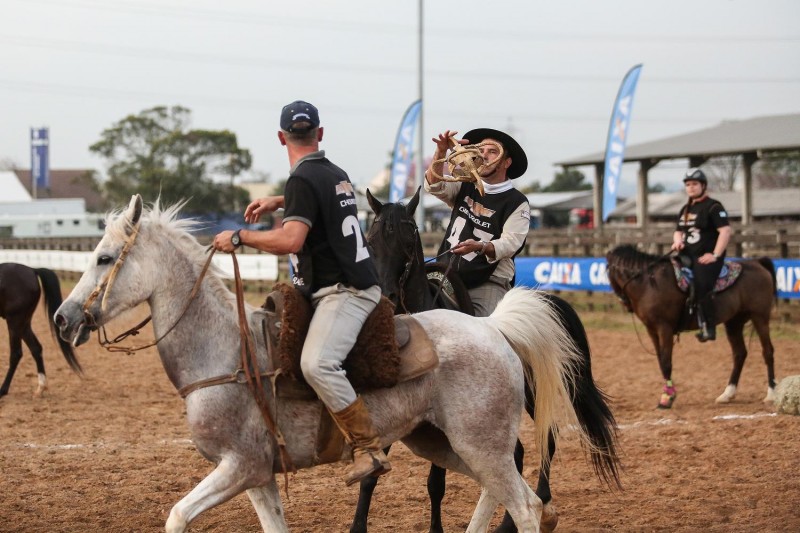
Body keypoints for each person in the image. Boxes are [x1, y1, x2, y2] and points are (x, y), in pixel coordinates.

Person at [212, 100, 390, 485]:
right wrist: (280, 201)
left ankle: (367, 446)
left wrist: (240, 237)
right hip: (347, 282)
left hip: (345, 291)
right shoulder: (334, 172)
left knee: (316, 365)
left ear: (281, 137)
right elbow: (320, 200)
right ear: (320, 134)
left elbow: (292, 239)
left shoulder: (302, 179)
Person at [424, 128, 531, 317]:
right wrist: (441, 152)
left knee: (486, 330)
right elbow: (435, 185)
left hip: (488, 280)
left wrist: (480, 246)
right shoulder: (465, 184)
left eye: (492, 151)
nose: (485, 156)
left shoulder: (517, 202)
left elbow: (511, 243)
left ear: (506, 162)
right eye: (481, 151)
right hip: (445, 273)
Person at [670, 168, 732, 342]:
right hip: (686, 254)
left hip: (707, 257)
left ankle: (708, 326)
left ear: (703, 186)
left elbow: (725, 231)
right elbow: (678, 231)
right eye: (688, 184)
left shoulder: (714, 206)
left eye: (695, 184)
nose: (691, 188)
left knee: (702, 284)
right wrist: (677, 241)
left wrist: (715, 254)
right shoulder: (685, 208)